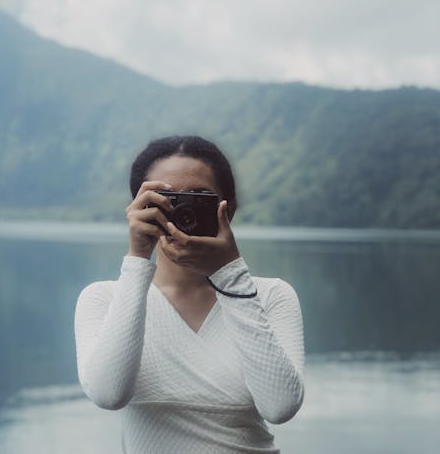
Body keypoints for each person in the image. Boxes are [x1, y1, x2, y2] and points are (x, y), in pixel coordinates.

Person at [74, 136, 305, 454]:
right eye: (166, 198)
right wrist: (138, 258)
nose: (181, 210)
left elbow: (280, 407)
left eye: (199, 198)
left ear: (229, 208)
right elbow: (108, 395)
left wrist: (231, 274)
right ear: (137, 208)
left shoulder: (270, 296)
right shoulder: (103, 299)